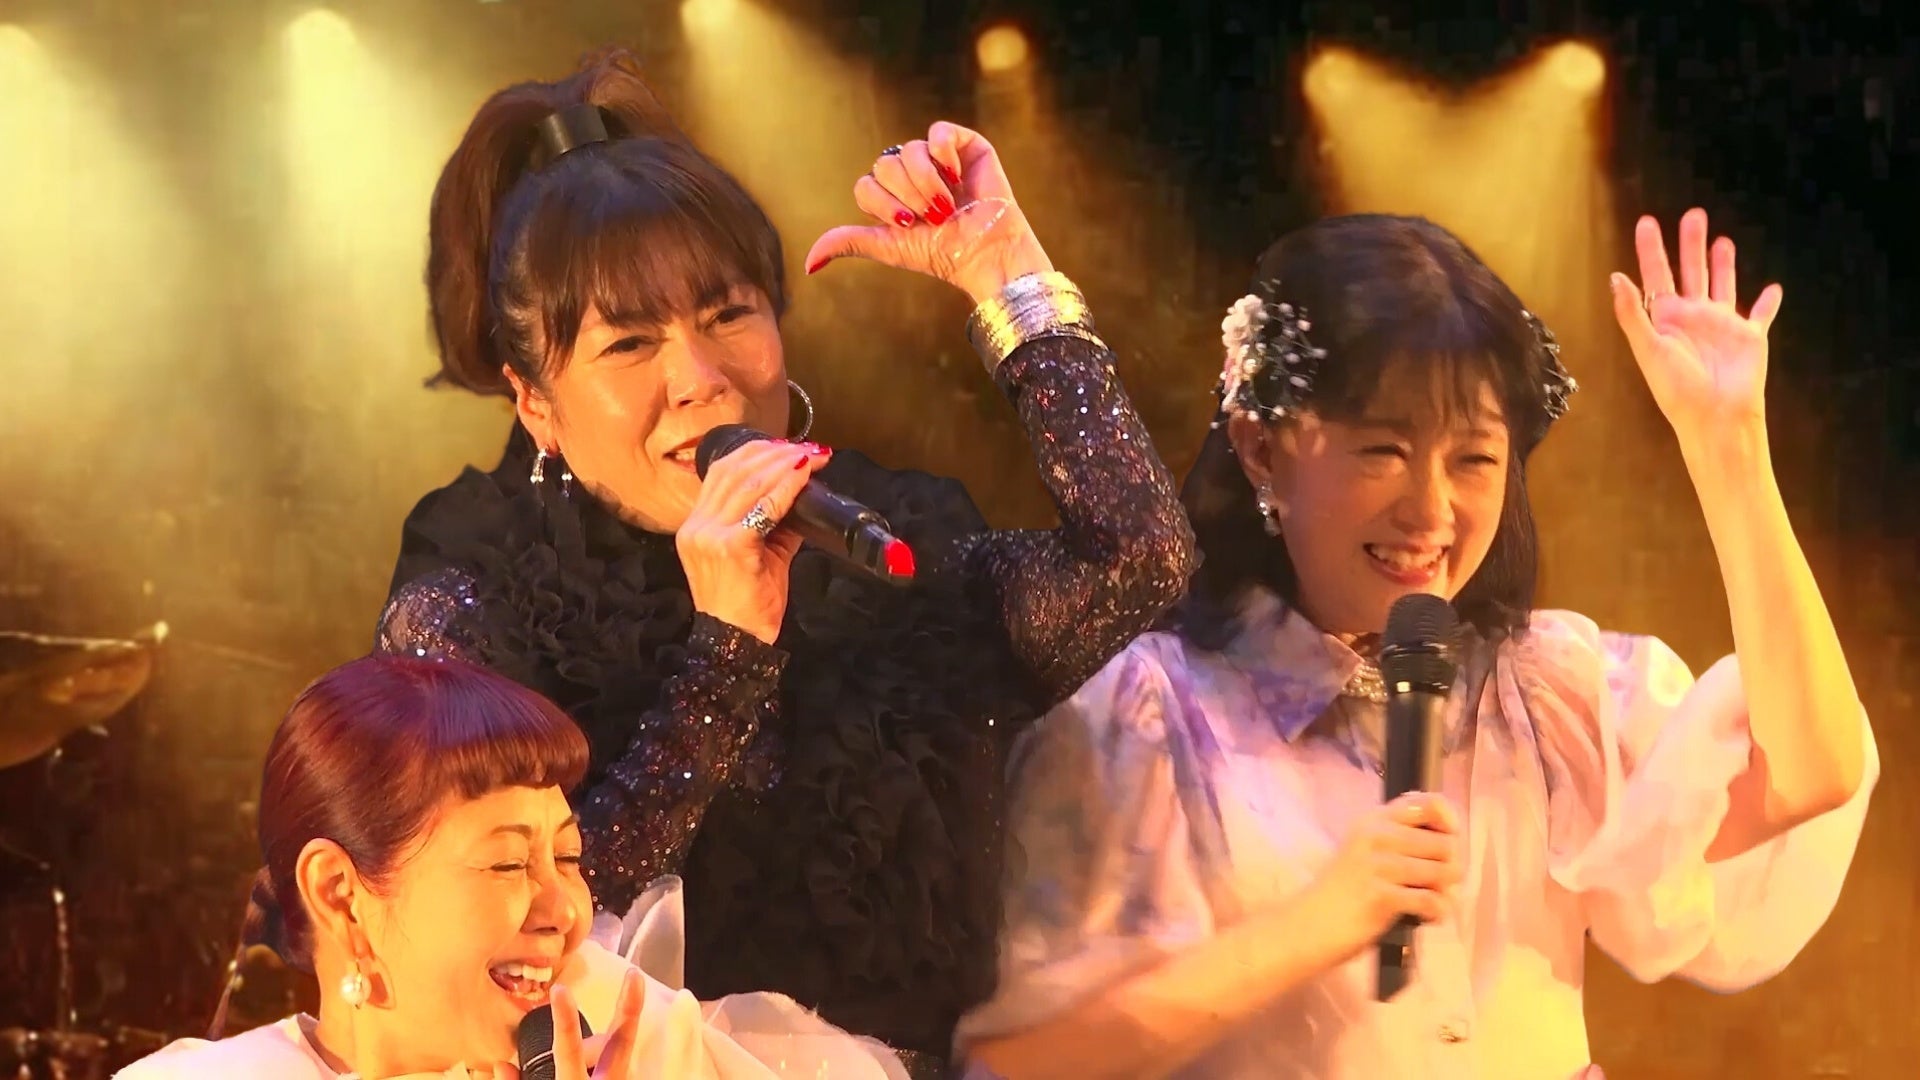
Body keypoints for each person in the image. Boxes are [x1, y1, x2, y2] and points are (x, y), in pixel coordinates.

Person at [373, 47, 1196, 1071]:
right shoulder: (474, 594)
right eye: (628, 345)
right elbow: (532, 930)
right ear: (533, 400)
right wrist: (728, 650)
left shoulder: (878, 534)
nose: (702, 379)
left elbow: (1140, 561)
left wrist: (1010, 278)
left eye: (728, 315)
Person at [957, 211, 1877, 1079]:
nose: (1432, 511)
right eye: (1383, 452)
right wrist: (1317, 923)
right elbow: (1015, 1059)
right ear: (1262, 449)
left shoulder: (1543, 690)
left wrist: (1729, 446)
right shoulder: (1152, 711)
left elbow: (1810, 775)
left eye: (1474, 459)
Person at [115, 654, 911, 1079]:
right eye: (505, 863)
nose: (564, 910)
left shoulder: (643, 1050)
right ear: (340, 894)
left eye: (567, 856)